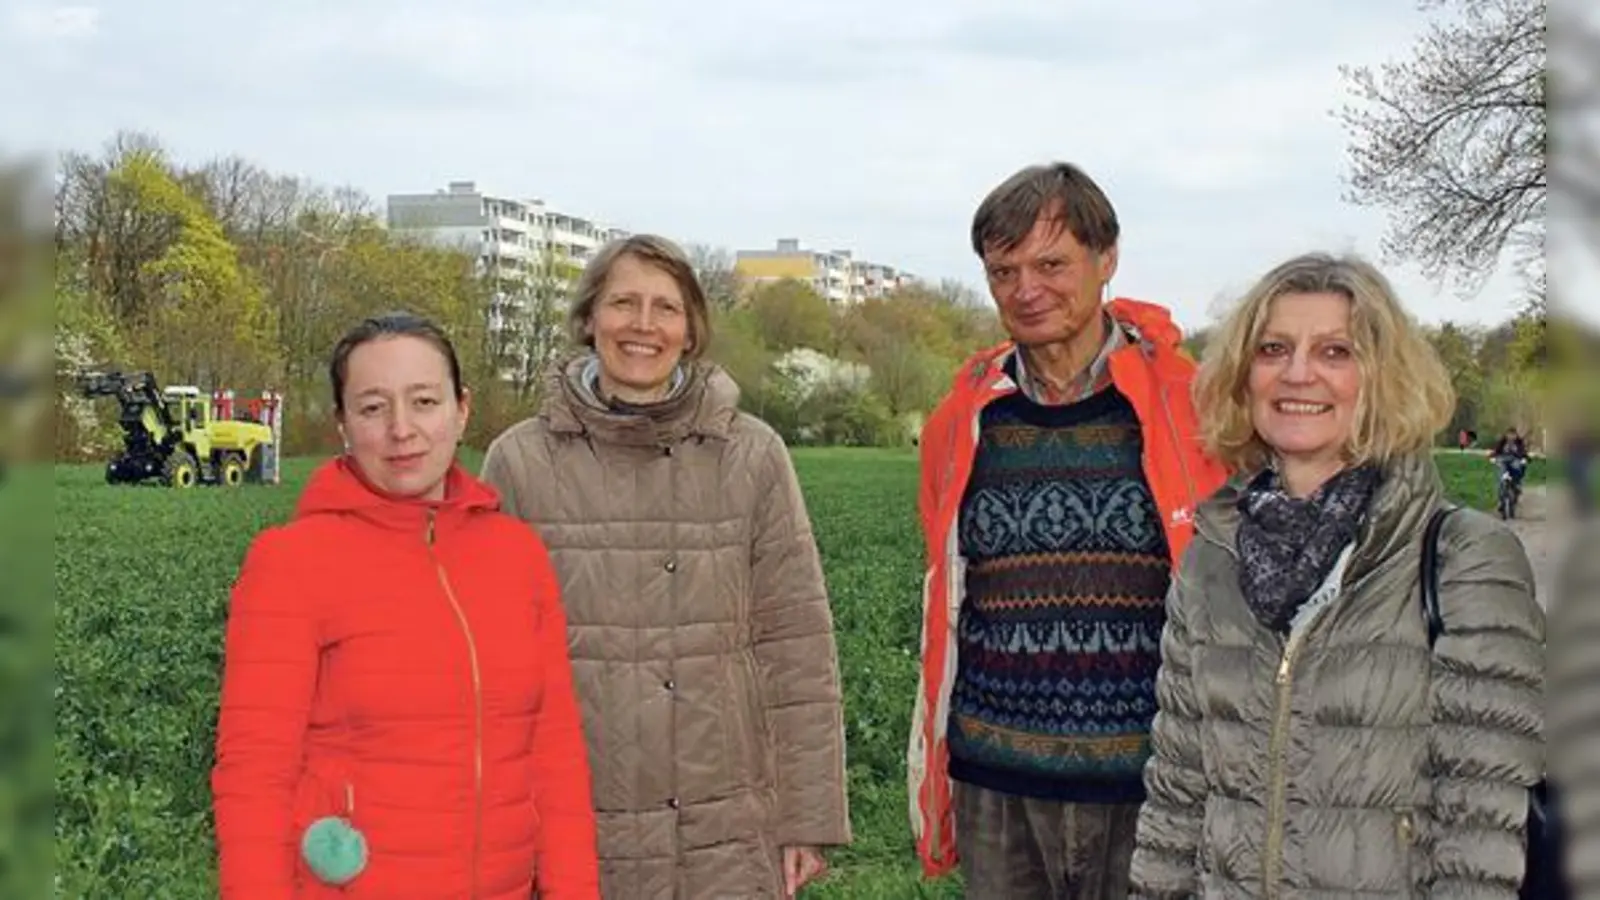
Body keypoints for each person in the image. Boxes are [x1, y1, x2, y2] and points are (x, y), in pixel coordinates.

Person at [1129, 253, 1546, 897]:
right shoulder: (1212, 556)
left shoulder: (1464, 558)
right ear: (1244, 375)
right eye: (1273, 348)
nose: (1299, 373)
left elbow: (1480, 833)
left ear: (1382, 379)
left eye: (1335, 352)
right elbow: (1177, 798)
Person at [480, 234, 851, 899]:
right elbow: (488, 667)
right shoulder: (519, 462)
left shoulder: (753, 455)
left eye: (665, 308)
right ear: (590, 318)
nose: (643, 325)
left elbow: (797, 643)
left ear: (691, 331)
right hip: (570, 829)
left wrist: (807, 816)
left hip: (723, 834)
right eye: (623, 302)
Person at [906, 161, 1229, 897]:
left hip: (1154, 781)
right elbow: (949, 590)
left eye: (1051, 263)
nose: (1027, 289)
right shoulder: (964, 421)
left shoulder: (1198, 410)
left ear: (1106, 258)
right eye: (1003, 271)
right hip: (999, 787)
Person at [211, 312, 601, 899]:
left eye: (423, 401)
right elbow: (254, 774)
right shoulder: (291, 562)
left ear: (461, 409)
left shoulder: (517, 556)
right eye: (372, 407)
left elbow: (555, 757)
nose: (402, 429)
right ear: (342, 423)